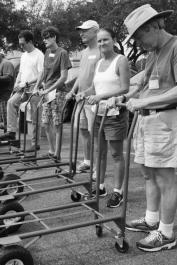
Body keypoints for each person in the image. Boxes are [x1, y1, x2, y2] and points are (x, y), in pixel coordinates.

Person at [120, 4, 177, 252]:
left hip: (164, 119)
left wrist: (143, 101)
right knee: (148, 173)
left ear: (153, 27)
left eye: (139, 36)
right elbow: (141, 83)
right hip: (147, 119)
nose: (138, 43)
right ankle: (151, 219)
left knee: (165, 177)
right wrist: (117, 96)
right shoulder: (153, 53)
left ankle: (166, 233)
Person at [80, 28, 130, 208]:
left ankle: (118, 192)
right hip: (98, 113)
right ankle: (100, 187)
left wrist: (103, 97)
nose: (102, 44)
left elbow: (125, 88)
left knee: (116, 154)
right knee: (99, 153)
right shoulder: (100, 62)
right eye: (99, 41)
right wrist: (83, 93)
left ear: (114, 40)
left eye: (105, 40)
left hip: (115, 114)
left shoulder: (120, 60)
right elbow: (95, 89)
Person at [65, 20, 100, 174]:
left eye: (85, 30)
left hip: (94, 100)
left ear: (95, 31)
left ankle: (98, 167)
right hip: (81, 99)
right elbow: (81, 75)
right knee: (83, 130)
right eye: (81, 30)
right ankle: (88, 161)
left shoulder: (101, 50)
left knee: (96, 134)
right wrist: (72, 90)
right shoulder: (85, 52)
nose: (81, 33)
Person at [0, 30, 44, 152]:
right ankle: (11, 132)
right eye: (20, 43)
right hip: (22, 88)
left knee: (35, 118)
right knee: (11, 102)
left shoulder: (39, 55)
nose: (21, 46)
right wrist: (16, 84)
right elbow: (20, 72)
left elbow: (41, 75)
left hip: (34, 89)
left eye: (23, 43)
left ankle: (35, 144)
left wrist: (26, 83)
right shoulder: (24, 55)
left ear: (30, 42)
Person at [35, 26, 71, 158]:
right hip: (47, 92)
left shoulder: (62, 53)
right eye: (43, 38)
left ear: (54, 37)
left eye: (47, 37)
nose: (44, 40)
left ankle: (57, 153)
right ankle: (51, 150)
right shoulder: (47, 52)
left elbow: (64, 77)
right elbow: (44, 71)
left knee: (57, 123)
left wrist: (48, 90)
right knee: (45, 122)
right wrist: (37, 86)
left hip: (58, 92)